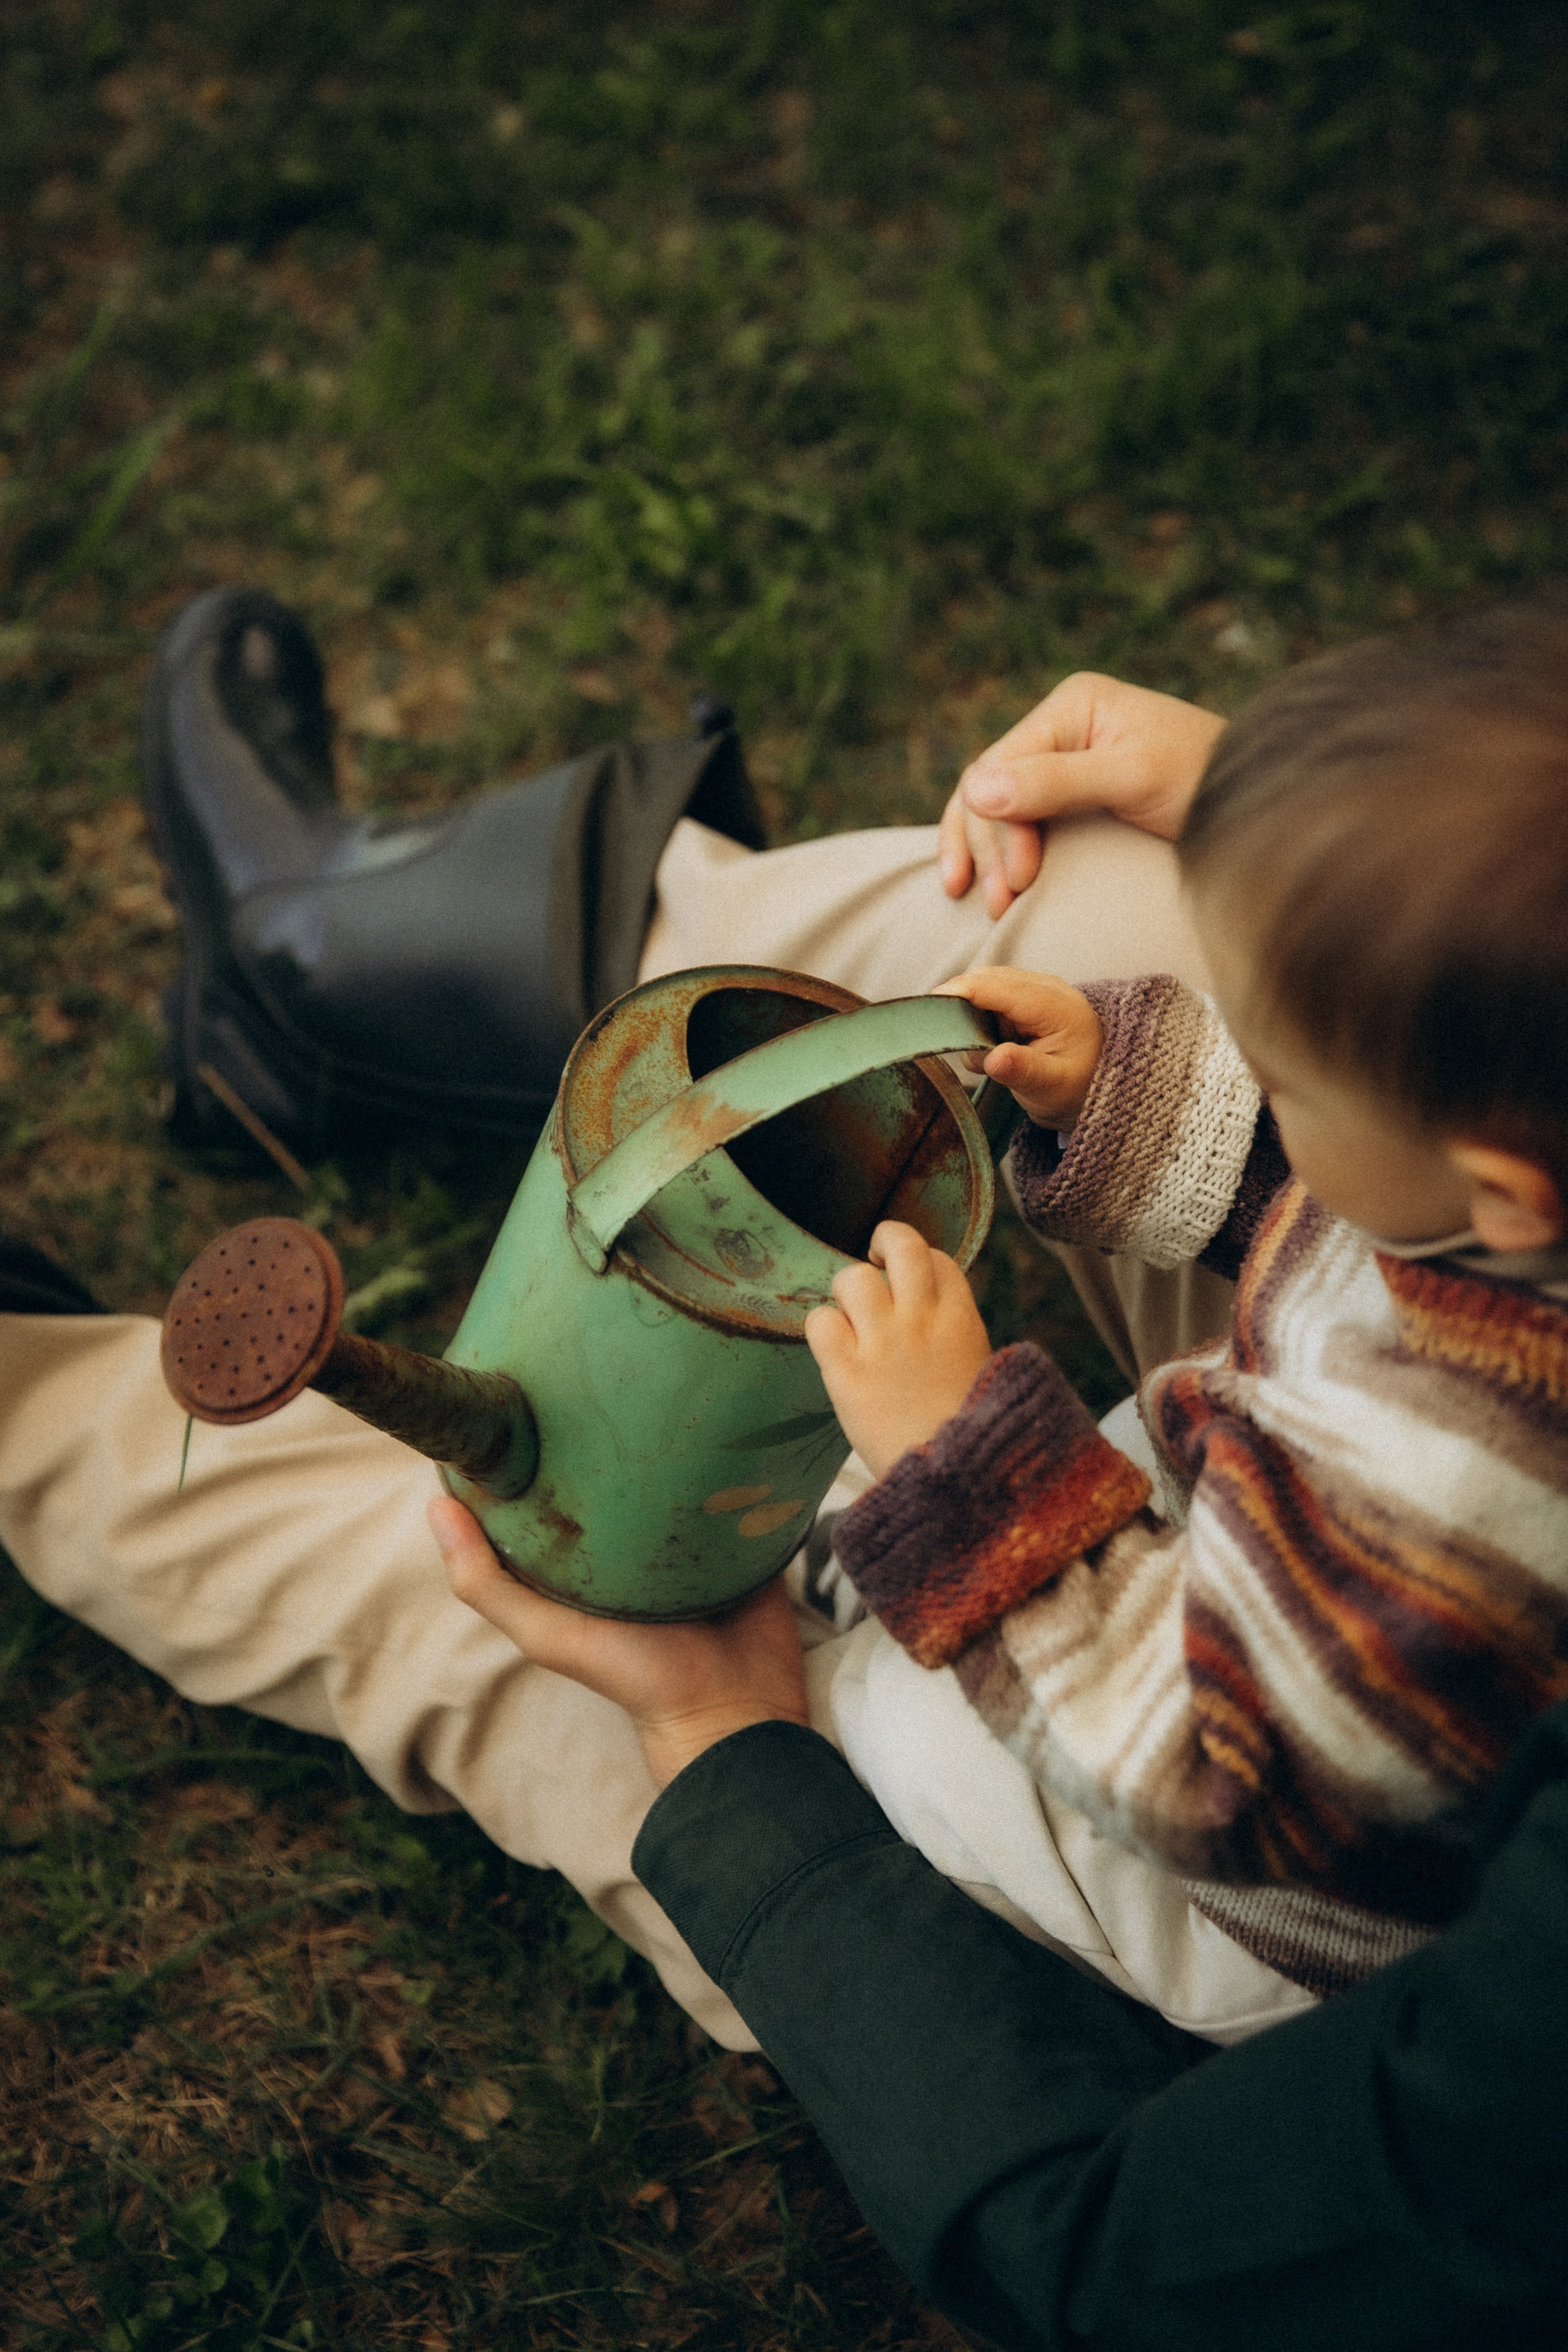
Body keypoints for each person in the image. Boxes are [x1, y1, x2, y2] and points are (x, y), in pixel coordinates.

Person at [4, 584, 1257, 2051]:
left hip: (1108, 1871)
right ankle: (329, 965)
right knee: (1153, 899)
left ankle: (33, 1408)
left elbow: (1225, 1833)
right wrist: (1282, 815)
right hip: (1234, 1507)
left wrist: (724, 1747)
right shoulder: (1471, 1300)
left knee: (523, 1596)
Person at [779, 597, 1568, 2016]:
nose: (1258, 1082)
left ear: (1502, 1194)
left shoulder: (1461, 1507)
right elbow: (1339, 1223)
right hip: (1289, 1578)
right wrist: (1128, 1098)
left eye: (1281, 1081)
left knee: (912, 1739)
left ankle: (821, 1708)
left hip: (1263, 1851)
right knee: (1119, 1472)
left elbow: (1200, 1766)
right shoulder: (1509, 1224)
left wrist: (959, 1474)